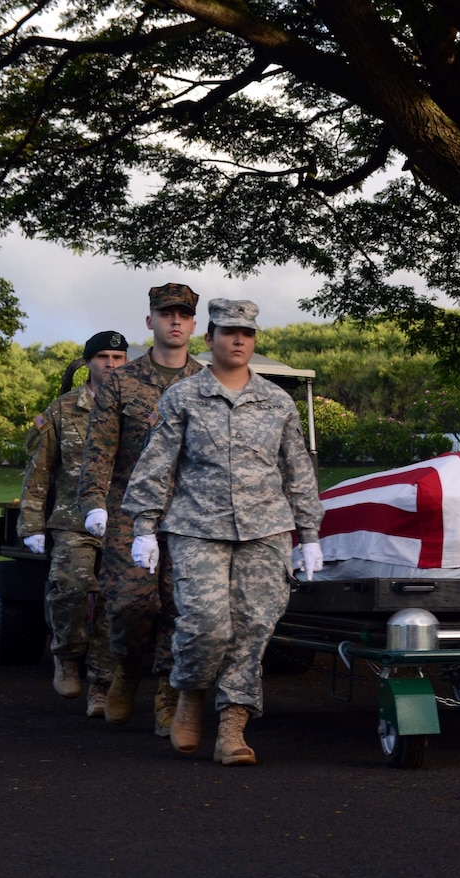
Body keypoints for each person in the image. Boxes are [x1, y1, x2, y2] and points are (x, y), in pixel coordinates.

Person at [122, 299, 324, 766]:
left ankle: (232, 725)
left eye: (247, 333)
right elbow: (156, 465)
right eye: (229, 331)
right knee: (205, 625)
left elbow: (298, 470)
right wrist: (144, 528)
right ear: (208, 337)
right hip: (197, 527)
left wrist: (310, 534)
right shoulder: (183, 397)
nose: (239, 340)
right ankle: (190, 694)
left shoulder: (277, 401)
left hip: (266, 529)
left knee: (254, 627)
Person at [79, 282, 204, 733]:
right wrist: (94, 504)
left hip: (190, 512)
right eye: (166, 313)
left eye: (183, 315)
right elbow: (99, 452)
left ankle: (168, 696)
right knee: (131, 603)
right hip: (129, 509)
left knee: (181, 605)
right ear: (150, 321)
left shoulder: (207, 382)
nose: (175, 321)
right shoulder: (120, 382)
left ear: (194, 324)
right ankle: (127, 668)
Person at [18, 331, 128, 717]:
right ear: (87, 363)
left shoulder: (138, 408)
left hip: (124, 523)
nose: (111, 365)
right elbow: (39, 471)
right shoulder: (64, 408)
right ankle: (66, 655)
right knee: (71, 587)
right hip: (73, 520)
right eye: (103, 357)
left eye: (118, 357)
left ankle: (100, 683)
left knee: (117, 605)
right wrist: (31, 526)